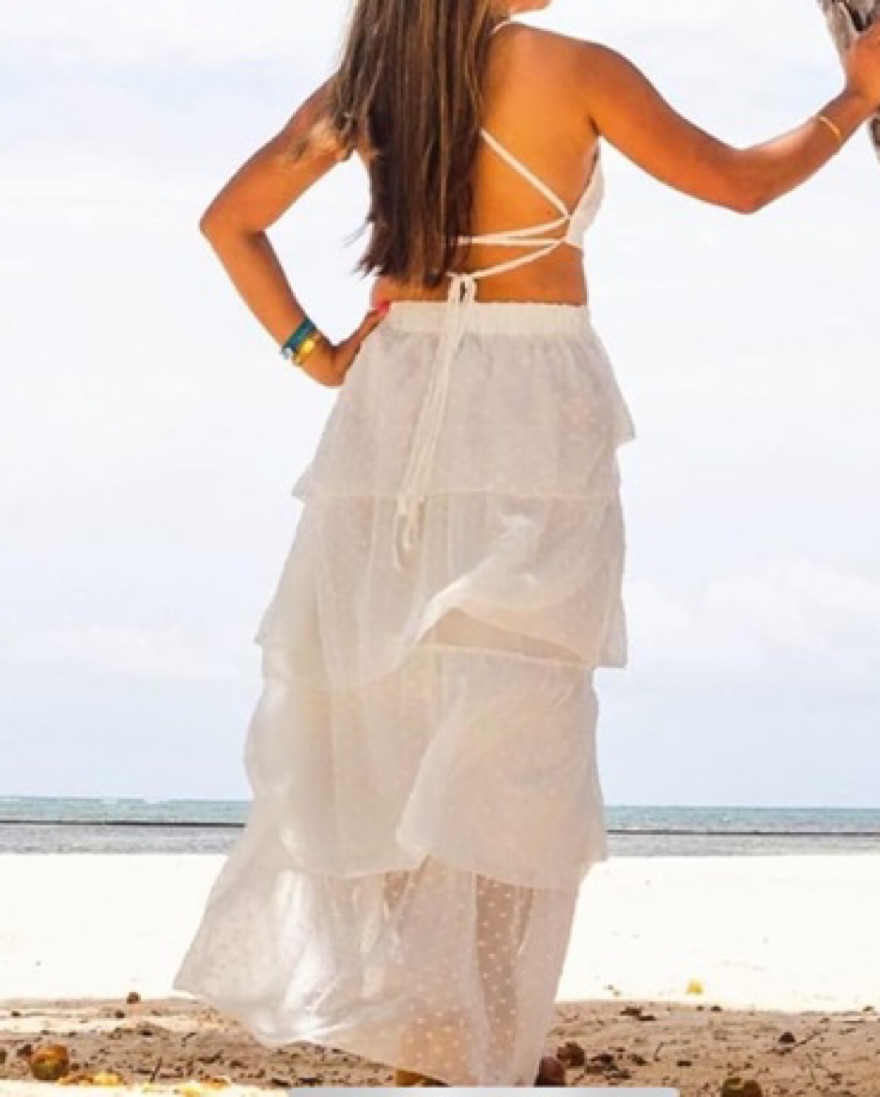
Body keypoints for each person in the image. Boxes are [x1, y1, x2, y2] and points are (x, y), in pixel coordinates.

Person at [172, 0, 880, 1087]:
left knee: (399, 718)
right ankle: (487, 1036)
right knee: (515, 738)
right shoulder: (578, 67)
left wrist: (319, 355)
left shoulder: (372, 82)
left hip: (393, 403)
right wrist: (854, 100)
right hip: (531, 406)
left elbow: (230, 222)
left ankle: (443, 1034)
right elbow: (739, 184)